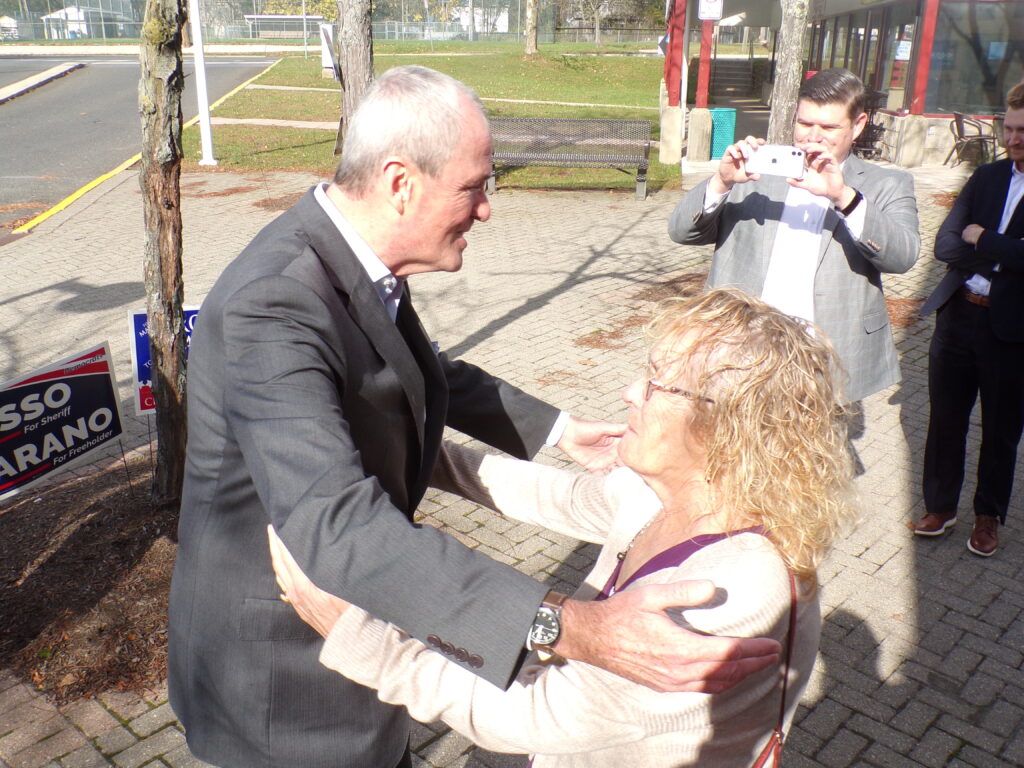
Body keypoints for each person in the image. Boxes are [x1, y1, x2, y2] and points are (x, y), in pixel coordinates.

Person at [168, 66, 780, 768]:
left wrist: (557, 430)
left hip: (356, 625)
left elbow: (414, 369)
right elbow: (338, 526)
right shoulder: (275, 304)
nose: (486, 209)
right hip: (285, 683)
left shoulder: (347, 261)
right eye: (474, 186)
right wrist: (574, 628)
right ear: (401, 183)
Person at [269, 288, 857, 767]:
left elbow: (532, 713)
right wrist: (402, 447)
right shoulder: (654, 494)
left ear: (728, 426)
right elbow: (545, 493)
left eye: (656, 383)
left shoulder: (733, 588)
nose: (629, 392)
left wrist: (356, 634)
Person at [667, 68, 920, 403]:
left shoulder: (887, 184)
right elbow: (681, 231)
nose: (813, 137)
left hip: (826, 361)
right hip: (741, 350)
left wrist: (844, 197)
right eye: (804, 123)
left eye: (828, 128)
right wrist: (721, 182)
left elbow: (903, 257)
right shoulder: (756, 170)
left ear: (858, 125)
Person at [912, 84, 1024, 556]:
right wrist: (1004, 253)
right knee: (945, 419)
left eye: (1023, 131)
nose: (1013, 139)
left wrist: (983, 239)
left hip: (1012, 330)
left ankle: (987, 516)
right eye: (1009, 128)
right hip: (958, 316)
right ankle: (940, 507)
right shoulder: (986, 176)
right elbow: (945, 244)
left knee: (1001, 430)